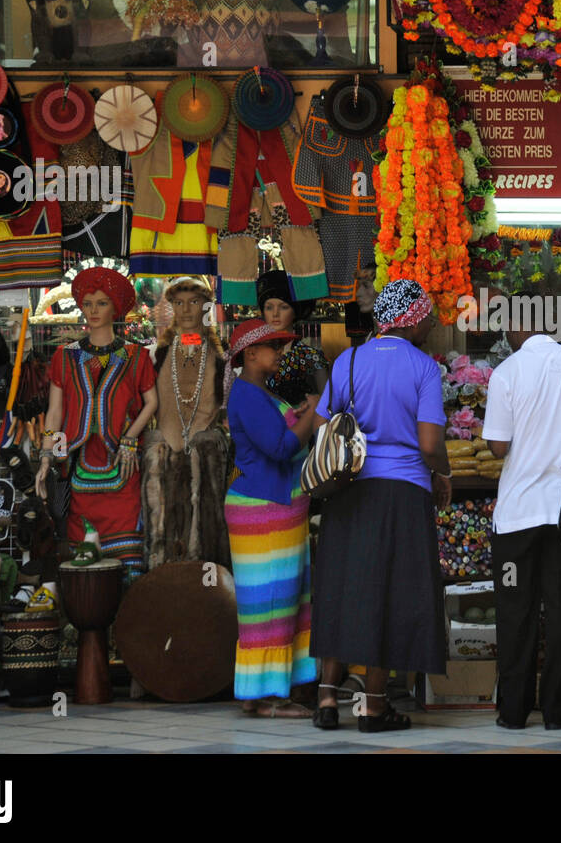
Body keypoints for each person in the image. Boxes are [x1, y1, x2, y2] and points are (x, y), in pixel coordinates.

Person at [310, 279, 450, 733]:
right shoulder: (424, 368)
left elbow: (320, 424)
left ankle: (327, 700)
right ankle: (373, 706)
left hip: (349, 490)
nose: (430, 323)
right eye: (427, 316)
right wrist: (443, 473)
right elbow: (429, 443)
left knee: (343, 587)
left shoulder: (347, 360)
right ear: (411, 319)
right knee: (388, 593)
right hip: (402, 494)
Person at [482, 319, 561, 730]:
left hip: (518, 516)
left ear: (518, 329)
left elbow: (498, 446)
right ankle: (560, 711)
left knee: (515, 612)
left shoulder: (507, 372)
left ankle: (513, 711)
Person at [224, 317, 323, 719]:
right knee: (269, 605)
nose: (280, 354)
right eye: (274, 347)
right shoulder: (248, 394)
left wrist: (299, 413)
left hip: (277, 510)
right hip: (264, 512)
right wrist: (312, 415)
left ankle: (272, 690)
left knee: (283, 602)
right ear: (250, 354)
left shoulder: (259, 393)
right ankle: (263, 697)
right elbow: (281, 448)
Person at [36, 266, 157, 580]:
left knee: (129, 565)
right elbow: (54, 412)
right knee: (86, 569)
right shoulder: (64, 356)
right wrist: (46, 455)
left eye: (101, 303)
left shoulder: (136, 355)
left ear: (115, 307)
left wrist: (131, 438)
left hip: (124, 465)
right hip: (80, 468)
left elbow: (152, 403)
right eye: (87, 303)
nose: (93, 310)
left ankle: (130, 621)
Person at [141, 276, 229, 570]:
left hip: (206, 458)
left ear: (205, 306)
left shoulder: (222, 358)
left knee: (205, 535)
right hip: (167, 453)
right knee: (165, 529)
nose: (186, 310)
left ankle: (209, 593)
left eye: (194, 302)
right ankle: (167, 587)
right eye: (178, 303)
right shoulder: (157, 355)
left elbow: (227, 407)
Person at [256, 269, 330, 406]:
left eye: (284, 307)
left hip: (299, 425)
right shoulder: (254, 354)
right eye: (269, 307)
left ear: (295, 312)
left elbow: (328, 403)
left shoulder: (309, 356)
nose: (275, 314)